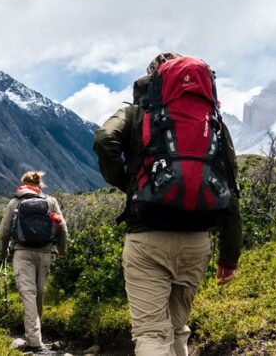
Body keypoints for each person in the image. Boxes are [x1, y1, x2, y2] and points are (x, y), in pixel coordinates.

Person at [93, 53, 242, 356]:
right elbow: (230, 187)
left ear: (154, 80)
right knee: (178, 328)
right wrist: (229, 256)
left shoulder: (138, 113)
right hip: (197, 242)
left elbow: (104, 140)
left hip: (148, 238)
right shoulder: (212, 121)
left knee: (151, 333)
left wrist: (127, 183)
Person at [0, 171, 68, 354]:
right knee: (39, 294)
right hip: (45, 253)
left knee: (28, 293)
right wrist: (61, 250)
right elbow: (62, 227)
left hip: (22, 253)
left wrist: (3, 252)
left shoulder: (14, 203)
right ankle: (35, 337)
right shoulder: (50, 201)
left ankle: (35, 342)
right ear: (40, 184)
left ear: (23, 184)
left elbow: (3, 232)